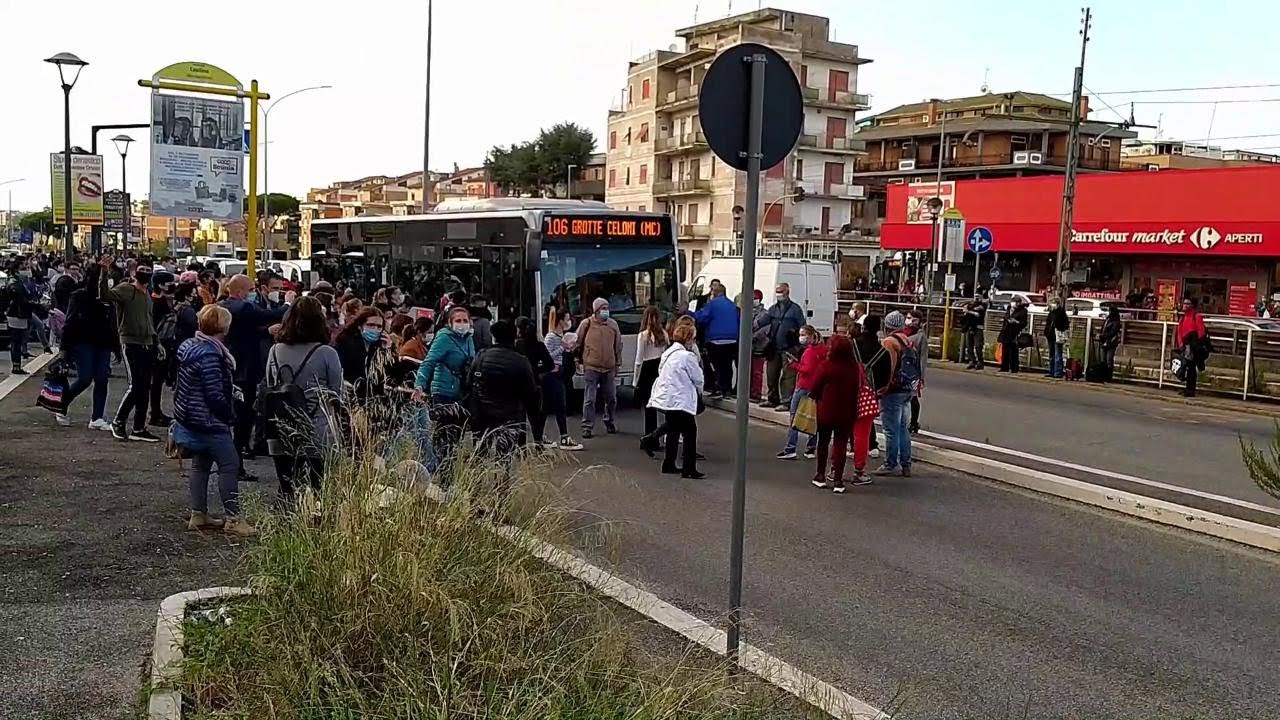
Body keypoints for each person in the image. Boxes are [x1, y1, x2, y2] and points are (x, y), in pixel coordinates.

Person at [172, 304, 254, 537]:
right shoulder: (211, 355)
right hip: (209, 420)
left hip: (189, 416)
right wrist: (229, 415)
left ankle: (199, 513)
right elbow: (214, 394)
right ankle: (234, 518)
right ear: (223, 327)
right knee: (230, 465)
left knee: (200, 465)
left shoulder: (189, 347)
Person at [264, 296, 343, 499]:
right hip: (318, 430)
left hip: (281, 430)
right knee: (317, 491)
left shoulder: (275, 351)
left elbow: (270, 384)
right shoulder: (327, 353)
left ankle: (284, 525)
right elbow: (336, 393)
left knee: (287, 488)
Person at [219, 274, 294, 478]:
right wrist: (287, 303)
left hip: (238, 366)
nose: (254, 293)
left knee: (242, 418)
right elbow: (270, 315)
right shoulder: (244, 307)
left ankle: (235, 463)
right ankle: (235, 466)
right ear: (241, 291)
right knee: (242, 419)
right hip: (245, 370)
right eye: (251, 289)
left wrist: (265, 331)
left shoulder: (227, 306)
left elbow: (248, 329)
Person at [98, 257, 161, 442]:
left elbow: (149, 319)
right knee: (136, 386)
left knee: (145, 387)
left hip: (148, 342)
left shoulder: (147, 293)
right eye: (142, 269)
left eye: (149, 270)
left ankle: (139, 428)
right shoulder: (127, 289)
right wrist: (103, 272)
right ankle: (119, 421)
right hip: (131, 343)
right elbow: (105, 295)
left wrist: (156, 342)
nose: (146, 273)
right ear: (134, 271)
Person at [413, 306, 476, 478]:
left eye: (465, 321)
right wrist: (420, 385)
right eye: (458, 321)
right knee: (444, 435)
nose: (462, 324)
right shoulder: (443, 338)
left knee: (457, 435)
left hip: (461, 392)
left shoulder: (469, 338)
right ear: (449, 323)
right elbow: (429, 362)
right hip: (443, 391)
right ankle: (442, 474)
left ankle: (448, 471)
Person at [55, 263, 118, 430]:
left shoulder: (107, 298)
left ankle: (97, 417)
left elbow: (112, 323)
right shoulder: (79, 296)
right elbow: (70, 322)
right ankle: (62, 404)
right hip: (83, 342)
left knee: (102, 379)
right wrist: (64, 349)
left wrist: (116, 346)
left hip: (102, 342)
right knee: (84, 378)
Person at [468, 320, 540, 464]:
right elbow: (530, 391)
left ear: (493, 336)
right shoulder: (521, 361)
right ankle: (501, 484)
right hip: (510, 415)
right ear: (514, 337)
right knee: (504, 457)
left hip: (483, 414)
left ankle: (476, 483)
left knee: (480, 453)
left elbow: (469, 382)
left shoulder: (482, 356)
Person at [644, 320, 705, 479]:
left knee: (673, 429)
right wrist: (699, 392)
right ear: (688, 338)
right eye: (693, 338)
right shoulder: (687, 357)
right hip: (681, 399)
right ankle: (689, 469)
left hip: (667, 398)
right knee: (690, 432)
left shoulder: (668, 354)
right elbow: (698, 378)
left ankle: (668, 462)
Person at [808, 335, 867, 492]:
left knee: (823, 442)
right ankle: (838, 480)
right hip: (847, 412)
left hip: (826, 411)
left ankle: (820, 475)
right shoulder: (855, 368)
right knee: (840, 445)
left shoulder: (825, 366)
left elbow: (814, 389)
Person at [876, 311, 918, 477]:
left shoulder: (890, 342)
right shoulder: (908, 341)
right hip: (907, 388)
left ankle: (891, 463)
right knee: (903, 428)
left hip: (894, 390)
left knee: (891, 430)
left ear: (887, 326)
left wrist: (884, 387)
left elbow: (890, 367)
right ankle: (906, 464)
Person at [576, 297, 623, 438]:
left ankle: (610, 421)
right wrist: (577, 359)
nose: (606, 311)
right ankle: (587, 426)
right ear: (596, 311)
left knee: (611, 398)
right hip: (591, 366)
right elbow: (577, 342)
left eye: (607, 308)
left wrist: (617, 364)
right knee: (590, 399)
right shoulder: (586, 324)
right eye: (603, 308)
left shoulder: (613, 325)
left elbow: (618, 345)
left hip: (609, 368)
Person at [777, 325, 823, 460]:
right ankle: (811, 448)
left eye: (803, 334)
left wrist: (794, 364)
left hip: (803, 386)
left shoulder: (809, 352)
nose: (801, 337)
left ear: (810, 335)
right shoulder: (822, 349)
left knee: (794, 416)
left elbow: (807, 369)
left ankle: (790, 448)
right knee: (812, 417)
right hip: (816, 387)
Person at [541, 307, 582, 451]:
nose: (569, 322)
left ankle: (563, 436)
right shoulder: (551, 337)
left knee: (560, 406)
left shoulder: (562, 336)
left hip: (562, 375)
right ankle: (543, 436)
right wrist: (562, 348)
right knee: (550, 407)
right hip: (553, 375)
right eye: (566, 319)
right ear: (560, 321)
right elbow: (547, 357)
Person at [761, 282, 806, 411]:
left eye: (781, 291)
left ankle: (786, 402)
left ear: (787, 292)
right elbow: (763, 321)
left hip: (789, 348)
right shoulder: (773, 309)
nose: (779, 294)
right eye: (777, 291)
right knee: (771, 374)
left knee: (788, 376)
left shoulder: (795, 309)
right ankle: (772, 399)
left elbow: (802, 325)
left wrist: (797, 340)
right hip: (774, 347)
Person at [694, 282, 740, 398]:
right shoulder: (732, 305)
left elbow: (701, 318)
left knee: (717, 365)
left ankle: (719, 388)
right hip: (732, 340)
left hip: (715, 340)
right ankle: (727, 389)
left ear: (715, 293)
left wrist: (688, 313)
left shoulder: (712, 305)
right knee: (727, 365)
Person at [513, 316, 553, 446]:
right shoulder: (538, 345)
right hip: (535, 384)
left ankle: (521, 446)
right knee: (535, 416)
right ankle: (538, 442)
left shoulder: (516, 345)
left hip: (518, 385)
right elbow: (550, 364)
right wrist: (538, 371)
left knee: (520, 418)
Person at [852, 314, 888, 461]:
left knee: (851, 417)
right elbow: (885, 375)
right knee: (866, 418)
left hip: (852, 386)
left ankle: (853, 446)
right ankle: (872, 445)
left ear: (863, 326)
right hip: (871, 389)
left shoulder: (853, 344)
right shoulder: (882, 351)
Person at [633, 305, 670, 438]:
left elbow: (639, 359)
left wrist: (635, 381)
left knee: (648, 407)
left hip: (647, 369)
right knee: (661, 404)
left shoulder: (643, 335)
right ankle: (662, 435)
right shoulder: (664, 334)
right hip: (659, 368)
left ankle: (650, 436)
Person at [5, 256, 40, 374]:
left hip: (22, 313)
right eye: (25, 266)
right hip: (16, 313)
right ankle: (16, 366)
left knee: (20, 339)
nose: (27, 269)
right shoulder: (13, 281)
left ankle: (18, 364)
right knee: (16, 340)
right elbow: (16, 295)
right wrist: (28, 301)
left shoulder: (22, 280)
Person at [1175, 297, 1208, 398]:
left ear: (1192, 305)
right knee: (1185, 367)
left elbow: (1201, 332)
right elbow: (1179, 332)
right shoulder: (1183, 318)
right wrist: (1181, 345)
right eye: (1184, 303)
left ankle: (1190, 390)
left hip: (1193, 346)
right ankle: (1187, 388)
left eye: (1187, 303)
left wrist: (1196, 345)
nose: (1185, 305)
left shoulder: (1196, 317)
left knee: (1191, 368)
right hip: (1185, 346)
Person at [904, 310, 927, 434]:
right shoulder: (902, 333)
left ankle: (914, 422)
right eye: (909, 318)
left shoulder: (920, 336)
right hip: (901, 370)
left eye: (914, 320)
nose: (911, 322)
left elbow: (923, 357)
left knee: (913, 397)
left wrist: (921, 376)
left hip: (913, 372)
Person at [998, 296, 1028, 374]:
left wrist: (1015, 321)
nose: (1015, 304)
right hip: (1006, 331)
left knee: (1013, 350)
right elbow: (1006, 317)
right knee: (1005, 350)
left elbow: (1024, 323)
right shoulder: (1009, 309)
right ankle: (1004, 367)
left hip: (1015, 332)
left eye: (1017, 302)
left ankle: (1014, 368)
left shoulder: (1023, 311)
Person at [749, 289, 769, 402]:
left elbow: (765, 330)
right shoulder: (746, 311)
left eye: (755, 298)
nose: (753, 300)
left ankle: (756, 394)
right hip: (748, 347)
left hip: (759, 346)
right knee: (748, 371)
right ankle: (748, 392)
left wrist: (751, 337)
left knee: (757, 371)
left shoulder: (764, 313)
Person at [1043, 298, 1070, 379]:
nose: (1052, 305)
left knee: (1058, 354)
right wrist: (1046, 332)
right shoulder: (1051, 312)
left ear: (1058, 304)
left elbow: (1066, 325)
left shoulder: (1061, 313)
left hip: (1057, 336)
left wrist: (1059, 328)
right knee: (1051, 355)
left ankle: (1058, 372)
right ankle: (1051, 371)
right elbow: (1048, 323)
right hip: (1051, 335)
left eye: (1054, 303)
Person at [962, 293, 988, 370]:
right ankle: (972, 361)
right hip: (970, 327)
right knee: (969, 346)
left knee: (978, 346)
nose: (976, 298)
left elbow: (977, 314)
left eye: (978, 297)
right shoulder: (970, 304)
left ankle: (980, 362)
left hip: (978, 328)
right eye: (975, 296)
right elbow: (965, 310)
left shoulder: (982, 305)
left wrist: (968, 311)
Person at [1099, 304, 1122, 380]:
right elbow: (1103, 328)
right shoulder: (1108, 319)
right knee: (1103, 360)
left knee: (1109, 360)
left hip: (1111, 342)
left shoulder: (1115, 321)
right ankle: (1103, 375)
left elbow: (1113, 331)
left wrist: (1104, 335)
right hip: (1104, 341)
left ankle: (1108, 377)